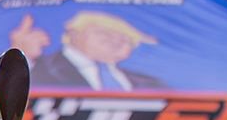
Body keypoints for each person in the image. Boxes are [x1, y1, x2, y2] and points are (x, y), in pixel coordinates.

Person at [28, 12, 163, 92]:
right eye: (104, 32)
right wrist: (24, 58)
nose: (115, 40)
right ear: (74, 34)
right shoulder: (40, 68)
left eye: (125, 37)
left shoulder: (149, 83)